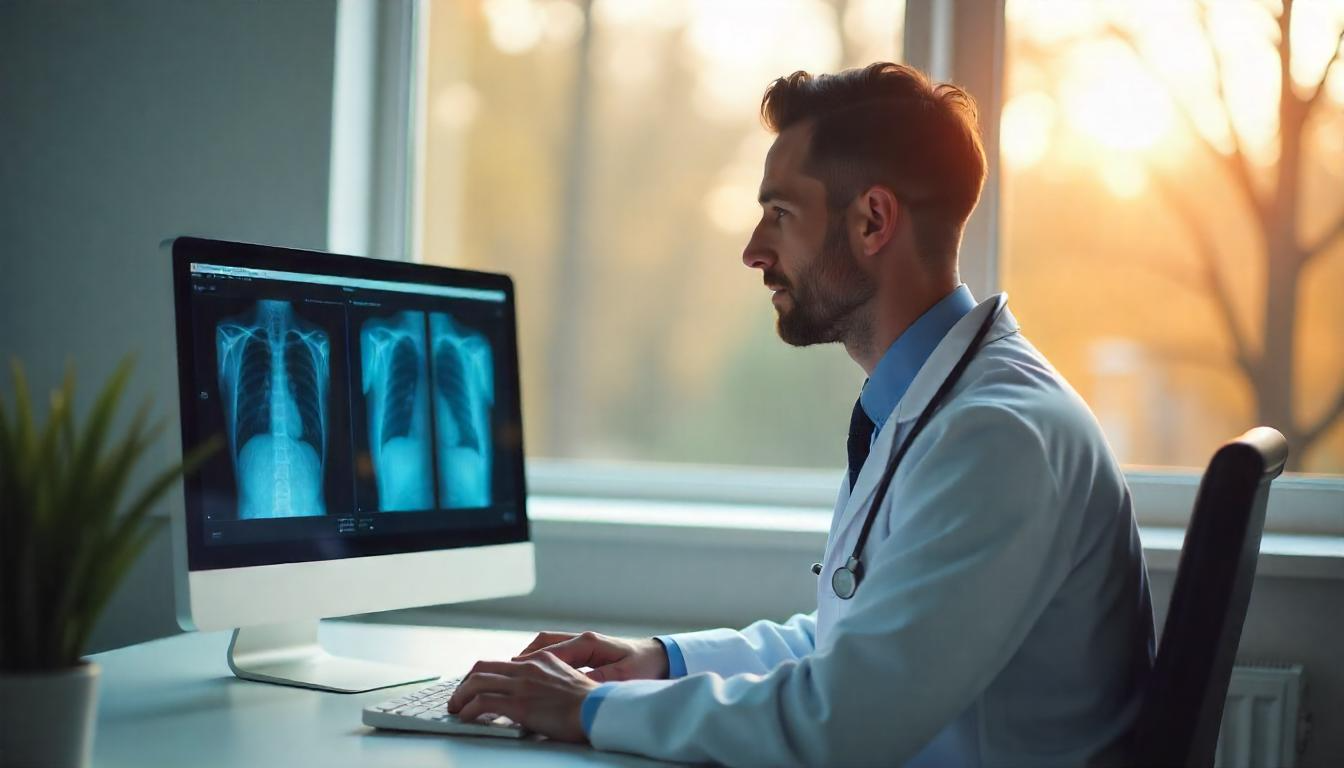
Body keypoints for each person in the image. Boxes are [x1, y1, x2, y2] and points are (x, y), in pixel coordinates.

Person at [446, 62, 1155, 767]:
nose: (755, 250)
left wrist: (587, 707)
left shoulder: (997, 437)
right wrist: (656, 661)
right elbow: (850, 645)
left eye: (780, 215)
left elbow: (841, 720)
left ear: (873, 220)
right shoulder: (939, 405)